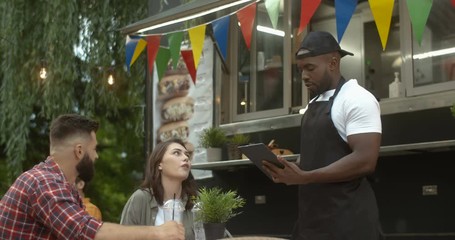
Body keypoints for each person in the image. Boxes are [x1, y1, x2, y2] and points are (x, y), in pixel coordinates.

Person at [263, 31, 383, 239]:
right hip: (312, 220)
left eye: (310, 68)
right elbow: (319, 157)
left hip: (348, 222)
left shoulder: (357, 98)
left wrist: (306, 177)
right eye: (301, 70)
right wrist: (289, 169)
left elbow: (365, 160)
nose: (304, 76)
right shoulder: (313, 103)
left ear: (333, 63)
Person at [0, 114, 184, 240]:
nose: (96, 156)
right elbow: (85, 231)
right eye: (94, 149)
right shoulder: (43, 182)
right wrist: (158, 233)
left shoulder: (61, 186)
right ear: (79, 151)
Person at [120, 138, 197, 240]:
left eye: (187, 155)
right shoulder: (141, 199)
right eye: (177, 153)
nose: (185, 158)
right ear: (160, 164)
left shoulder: (196, 200)